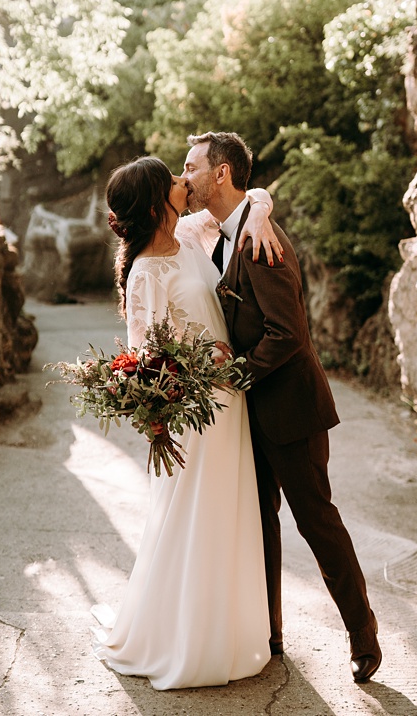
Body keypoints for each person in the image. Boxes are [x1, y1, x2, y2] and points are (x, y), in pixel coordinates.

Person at [182, 131, 380, 684]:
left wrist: (233, 375)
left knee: (316, 521)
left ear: (221, 173)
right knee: (260, 525)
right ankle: (269, 636)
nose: (185, 175)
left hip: (290, 410)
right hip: (249, 417)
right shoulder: (221, 230)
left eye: (192, 166)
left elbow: (287, 332)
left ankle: (363, 635)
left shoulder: (257, 237)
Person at [91, 155, 277, 689]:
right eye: (173, 180)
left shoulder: (194, 233)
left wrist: (261, 214)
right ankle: (185, 641)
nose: (183, 181)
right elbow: (146, 361)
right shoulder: (146, 271)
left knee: (229, 514)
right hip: (195, 414)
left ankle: (232, 633)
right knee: (190, 521)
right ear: (156, 203)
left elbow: (253, 196)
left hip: (230, 403)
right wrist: (204, 359)